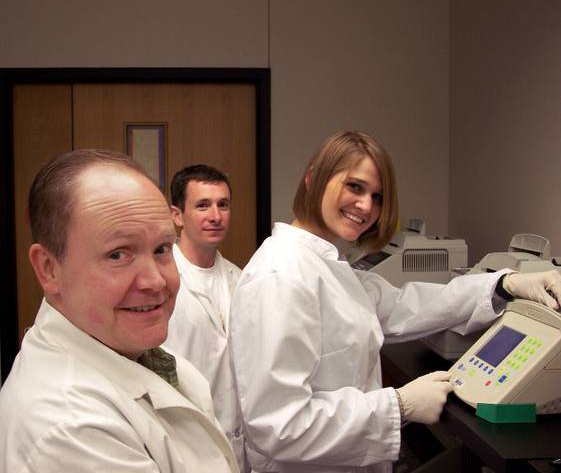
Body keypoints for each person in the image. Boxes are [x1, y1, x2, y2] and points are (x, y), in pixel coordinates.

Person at [229, 131, 561, 473]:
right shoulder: (280, 276)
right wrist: (397, 406)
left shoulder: (326, 265)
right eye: (355, 187)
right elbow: (278, 426)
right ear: (313, 178)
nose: (367, 207)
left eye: (378, 196)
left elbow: (408, 305)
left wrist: (504, 283)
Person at [0, 149, 239, 473]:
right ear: (49, 269)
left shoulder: (136, 352)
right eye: (117, 255)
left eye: (161, 249)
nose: (156, 281)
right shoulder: (72, 427)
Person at [162, 164, 248, 472]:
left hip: (239, 442)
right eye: (202, 205)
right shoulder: (158, 283)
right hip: (182, 441)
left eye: (222, 205)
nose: (215, 216)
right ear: (176, 215)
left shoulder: (242, 280)